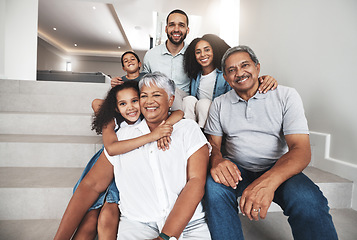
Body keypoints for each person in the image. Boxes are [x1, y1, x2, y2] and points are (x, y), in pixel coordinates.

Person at [54, 72, 211, 240]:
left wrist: (165, 237)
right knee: (96, 219)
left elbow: (196, 182)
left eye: (156, 95)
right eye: (144, 96)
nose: (149, 101)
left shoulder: (187, 129)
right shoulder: (122, 134)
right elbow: (92, 184)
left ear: (170, 100)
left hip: (189, 226)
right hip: (138, 225)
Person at [203, 45, 338, 240]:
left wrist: (268, 181)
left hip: (278, 167)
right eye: (231, 70)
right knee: (213, 189)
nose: (239, 73)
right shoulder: (219, 104)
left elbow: (301, 150)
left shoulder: (286, 96)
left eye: (245, 65)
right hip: (237, 169)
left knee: (308, 199)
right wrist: (216, 159)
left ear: (258, 68)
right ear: (225, 78)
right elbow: (213, 144)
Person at [182, 34, 277, 128]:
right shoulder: (195, 77)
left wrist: (265, 79)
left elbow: (245, 83)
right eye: (198, 52)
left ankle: (205, 135)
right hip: (200, 115)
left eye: (207, 50)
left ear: (214, 50)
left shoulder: (226, 74)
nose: (203, 54)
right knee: (188, 99)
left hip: (218, 115)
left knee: (204, 103)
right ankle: (189, 131)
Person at [112, 9, 191, 111]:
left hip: (185, 101)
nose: (176, 29)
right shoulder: (151, 55)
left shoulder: (193, 53)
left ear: (187, 30)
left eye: (181, 25)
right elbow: (142, 81)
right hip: (157, 103)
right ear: (166, 29)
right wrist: (119, 83)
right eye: (172, 25)